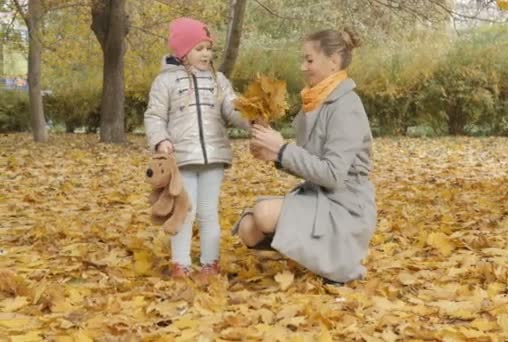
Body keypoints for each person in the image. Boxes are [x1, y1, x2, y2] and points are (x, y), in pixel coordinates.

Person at [232, 28, 377, 285]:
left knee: (264, 213)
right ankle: (316, 254)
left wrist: (282, 151)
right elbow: (309, 163)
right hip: (320, 196)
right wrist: (272, 153)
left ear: (333, 62)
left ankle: (336, 259)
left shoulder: (346, 105)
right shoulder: (314, 102)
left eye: (309, 60)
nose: (303, 67)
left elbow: (332, 174)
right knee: (249, 229)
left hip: (345, 205)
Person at [144, 17, 249, 282]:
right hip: (182, 159)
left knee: (208, 212)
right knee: (184, 212)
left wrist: (251, 115)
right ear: (182, 51)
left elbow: (232, 109)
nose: (206, 54)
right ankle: (180, 264)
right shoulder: (165, 82)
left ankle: (210, 264)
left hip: (213, 157)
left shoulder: (218, 80)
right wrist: (160, 140)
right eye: (199, 48)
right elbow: (154, 115)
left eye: (208, 48)